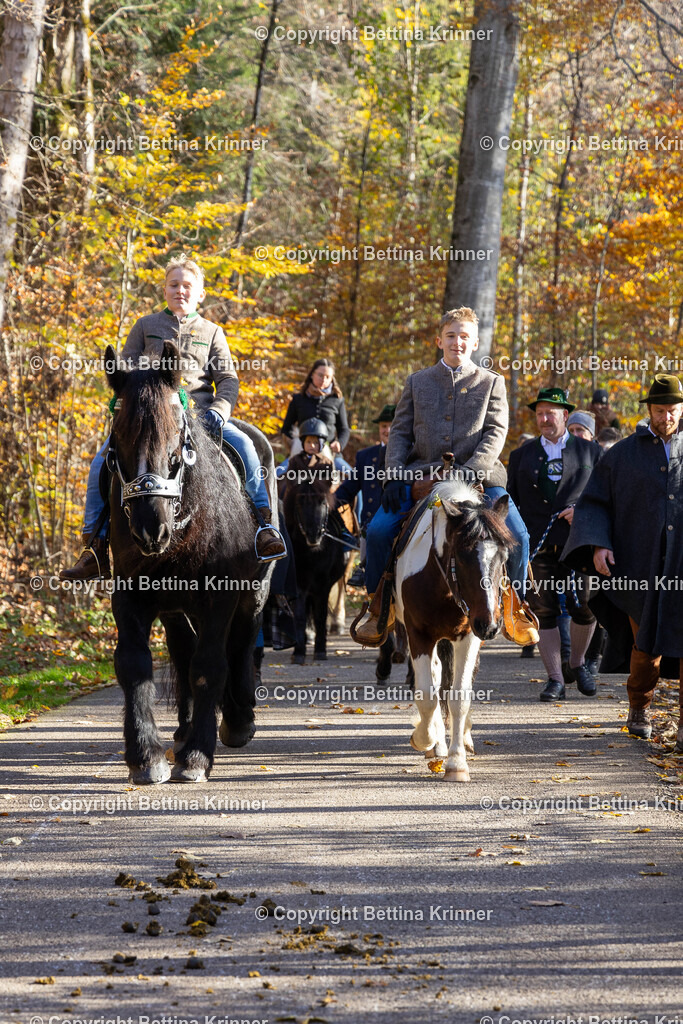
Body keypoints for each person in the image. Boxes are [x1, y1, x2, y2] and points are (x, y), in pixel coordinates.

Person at [60, 254, 285, 580]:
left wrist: (220, 413)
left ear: (200, 293)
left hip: (203, 418)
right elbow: (125, 372)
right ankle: (95, 545)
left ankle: (264, 526)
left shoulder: (212, 332)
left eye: (187, 286)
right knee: (100, 461)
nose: (180, 290)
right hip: (155, 421)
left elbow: (228, 380)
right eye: (174, 284)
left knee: (247, 447)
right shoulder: (145, 326)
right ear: (165, 289)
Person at [353, 306, 530, 645]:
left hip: (480, 479)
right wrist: (394, 476)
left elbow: (495, 433)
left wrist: (466, 473)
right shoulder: (417, 382)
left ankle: (514, 608)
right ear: (439, 340)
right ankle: (380, 609)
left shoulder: (492, 382)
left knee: (518, 536)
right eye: (451, 336)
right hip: (422, 476)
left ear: (474, 342)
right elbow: (401, 432)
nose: (457, 342)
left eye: (464, 337)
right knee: (376, 533)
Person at [563, 373, 683, 747]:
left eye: (673, 410)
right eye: (660, 410)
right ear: (648, 409)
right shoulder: (623, 455)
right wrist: (598, 545)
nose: (667, 417)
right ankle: (639, 708)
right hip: (638, 567)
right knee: (646, 648)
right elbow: (595, 502)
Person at [507, 386, 602, 702]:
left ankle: (578, 664)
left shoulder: (592, 453)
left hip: (580, 542)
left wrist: (583, 511)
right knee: (543, 610)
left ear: (565, 415)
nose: (545, 419)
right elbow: (512, 504)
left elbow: (607, 498)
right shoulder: (521, 456)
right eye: (540, 413)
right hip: (540, 544)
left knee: (585, 606)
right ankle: (555, 679)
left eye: (551, 413)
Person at [334, 403, 395, 587]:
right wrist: (329, 503)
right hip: (369, 527)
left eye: (392, 425)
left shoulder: (413, 455)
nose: (387, 430)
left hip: (399, 524)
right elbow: (348, 489)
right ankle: (364, 571)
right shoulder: (366, 456)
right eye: (383, 426)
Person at [281, 359, 351, 474]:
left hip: (331, 454)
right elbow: (286, 428)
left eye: (328, 377)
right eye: (320, 375)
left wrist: (339, 444)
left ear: (332, 379)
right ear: (312, 374)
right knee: (274, 476)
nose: (323, 379)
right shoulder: (298, 399)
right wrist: (293, 444)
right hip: (300, 451)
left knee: (354, 479)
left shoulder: (337, 400)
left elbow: (344, 429)